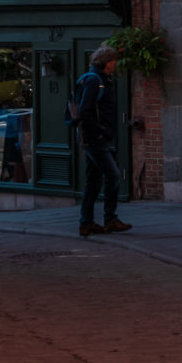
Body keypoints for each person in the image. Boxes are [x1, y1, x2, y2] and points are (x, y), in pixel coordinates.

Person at [76, 44, 130, 238]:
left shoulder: (101, 79)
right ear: (107, 62)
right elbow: (85, 111)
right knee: (113, 174)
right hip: (94, 139)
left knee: (93, 181)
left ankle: (86, 223)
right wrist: (99, 133)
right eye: (115, 60)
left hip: (94, 138)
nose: (117, 64)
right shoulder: (94, 81)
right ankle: (110, 219)